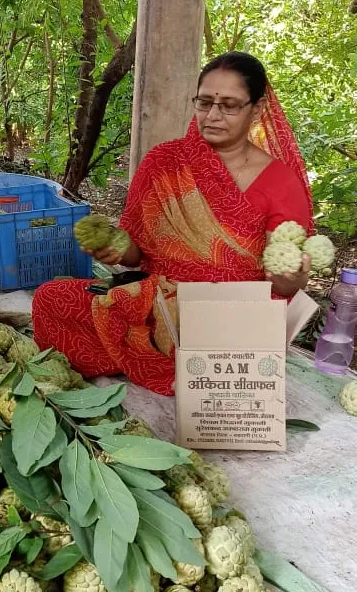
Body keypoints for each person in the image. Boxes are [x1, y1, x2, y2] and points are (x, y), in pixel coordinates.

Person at [32, 51, 314, 396]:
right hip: (157, 308)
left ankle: (191, 371)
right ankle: (174, 366)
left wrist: (291, 275)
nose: (212, 115)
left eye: (229, 105)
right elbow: (137, 256)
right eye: (205, 102)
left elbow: (284, 288)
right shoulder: (164, 162)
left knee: (226, 357)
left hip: (230, 319)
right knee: (51, 299)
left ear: (256, 109)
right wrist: (116, 245)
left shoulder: (280, 182)